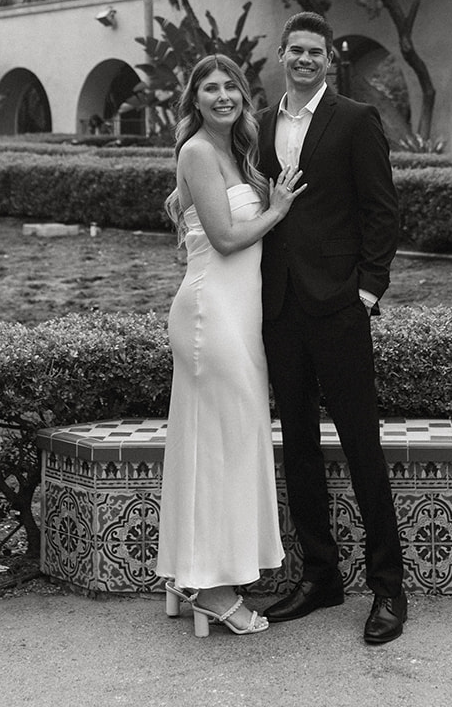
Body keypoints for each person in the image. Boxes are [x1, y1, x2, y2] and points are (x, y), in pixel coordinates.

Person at [259, 12, 407, 645]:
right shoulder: (261, 126)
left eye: (315, 52)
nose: (304, 60)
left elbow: (382, 210)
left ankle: (389, 589)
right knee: (297, 446)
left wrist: (367, 294)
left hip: (341, 309)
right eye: (295, 50)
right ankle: (320, 577)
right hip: (282, 310)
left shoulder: (354, 120)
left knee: (361, 446)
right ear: (281, 56)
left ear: (329, 60)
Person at [156, 54, 305, 638]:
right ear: (194, 100)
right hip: (210, 313)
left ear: (244, 95)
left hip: (238, 315)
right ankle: (213, 591)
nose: (222, 96)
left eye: (230, 87)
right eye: (209, 88)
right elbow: (223, 239)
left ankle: (190, 574)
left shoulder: (238, 153)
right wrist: (277, 209)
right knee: (221, 445)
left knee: (220, 440)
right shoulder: (196, 150)